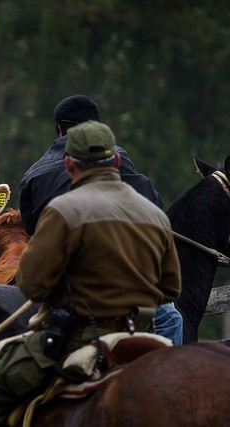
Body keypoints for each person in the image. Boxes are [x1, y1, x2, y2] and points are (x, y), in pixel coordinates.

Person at [0, 121, 182, 426]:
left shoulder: (63, 211)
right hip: (143, 332)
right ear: (116, 161)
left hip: (78, 338)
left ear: (69, 165)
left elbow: (31, 285)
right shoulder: (154, 214)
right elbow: (171, 287)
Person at [18, 94, 182, 345]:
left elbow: (30, 235)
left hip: (70, 302)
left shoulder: (35, 176)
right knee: (171, 319)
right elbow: (170, 287)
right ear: (114, 160)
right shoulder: (148, 207)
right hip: (128, 299)